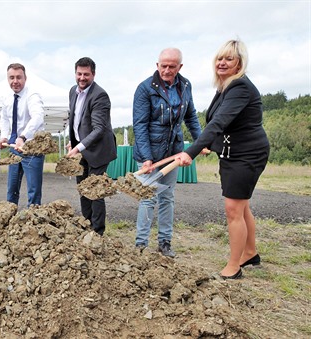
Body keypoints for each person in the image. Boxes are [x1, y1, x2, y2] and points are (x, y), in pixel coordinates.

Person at [176, 40, 269, 279]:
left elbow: (220, 122)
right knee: (242, 205)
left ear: (239, 63)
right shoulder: (225, 87)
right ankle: (249, 252)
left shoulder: (240, 87)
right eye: (219, 58)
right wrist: (207, 144)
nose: (222, 63)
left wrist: (191, 151)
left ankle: (234, 265)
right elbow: (216, 124)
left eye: (228, 59)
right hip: (232, 153)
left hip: (247, 154)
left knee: (233, 209)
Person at [132, 48, 202, 257]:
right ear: (157, 65)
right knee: (148, 198)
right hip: (150, 153)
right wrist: (146, 158)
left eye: (172, 66)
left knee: (167, 197)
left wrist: (201, 141)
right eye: (164, 65)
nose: (167, 70)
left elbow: (191, 116)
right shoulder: (145, 89)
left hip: (173, 151)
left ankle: (165, 243)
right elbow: (140, 125)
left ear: (180, 67)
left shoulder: (186, 85)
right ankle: (141, 245)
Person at [67, 57, 117, 236]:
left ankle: (97, 232)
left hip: (98, 151)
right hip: (82, 149)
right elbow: (78, 121)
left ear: (93, 75)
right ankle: (86, 225)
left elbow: (99, 129)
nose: (82, 78)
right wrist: (73, 142)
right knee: (83, 189)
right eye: (79, 74)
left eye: (86, 74)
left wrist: (78, 147)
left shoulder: (100, 96)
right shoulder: (73, 91)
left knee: (95, 191)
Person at [0, 63, 45, 207]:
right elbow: (4, 118)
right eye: (11, 78)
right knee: (12, 189)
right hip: (14, 147)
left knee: (33, 190)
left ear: (25, 78)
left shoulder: (32, 96)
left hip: (32, 149)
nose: (15, 81)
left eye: (19, 77)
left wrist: (23, 137)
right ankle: (10, 221)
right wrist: (4, 136)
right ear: (7, 78)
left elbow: (38, 117)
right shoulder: (7, 98)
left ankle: (34, 222)